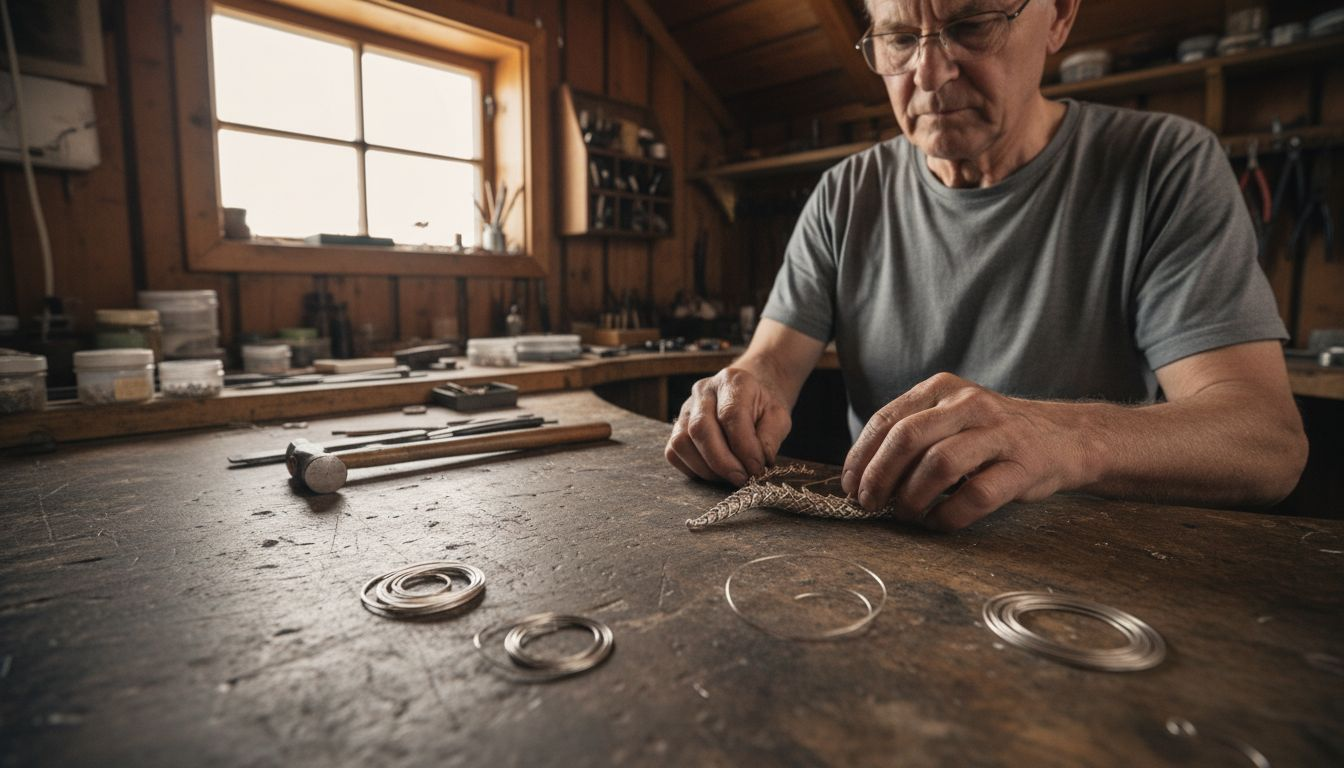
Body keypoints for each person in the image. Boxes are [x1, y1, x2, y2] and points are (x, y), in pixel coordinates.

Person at [664, 0, 1307, 531]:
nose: (930, 74)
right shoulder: (843, 194)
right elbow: (771, 362)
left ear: (1059, 17)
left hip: (1089, 573)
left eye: (971, 26)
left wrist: (1062, 436)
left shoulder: (1163, 166)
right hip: (887, 556)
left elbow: (1266, 442)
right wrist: (740, 392)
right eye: (896, 38)